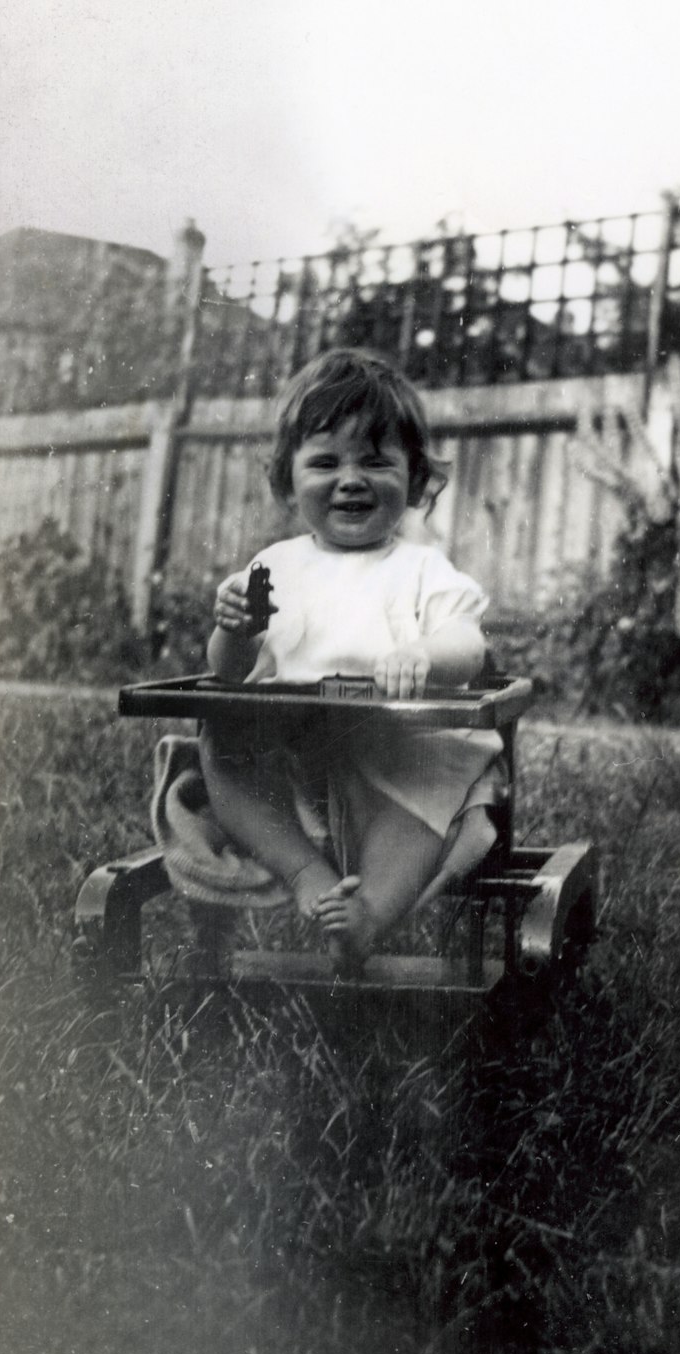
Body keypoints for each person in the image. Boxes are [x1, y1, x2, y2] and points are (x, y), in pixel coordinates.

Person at [200, 348, 502, 973]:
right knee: (219, 741)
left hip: (392, 747)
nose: (351, 478)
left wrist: (423, 653)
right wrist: (234, 630)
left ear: (415, 480)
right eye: (326, 462)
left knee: (426, 799)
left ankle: (369, 913)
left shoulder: (420, 570)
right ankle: (305, 872)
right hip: (292, 753)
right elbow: (227, 675)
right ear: (288, 479)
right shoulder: (273, 567)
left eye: (376, 461)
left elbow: (468, 643)